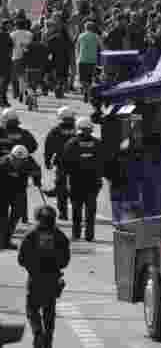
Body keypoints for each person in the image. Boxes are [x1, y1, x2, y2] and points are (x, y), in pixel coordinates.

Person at [18, 204, 69, 348]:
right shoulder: (60, 236)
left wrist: (32, 266)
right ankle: (47, 341)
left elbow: (21, 259)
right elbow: (65, 260)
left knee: (32, 309)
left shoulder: (31, 235)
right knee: (49, 313)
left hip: (35, 278)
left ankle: (38, 332)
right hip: (52, 279)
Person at [60, 118, 105, 242]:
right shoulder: (97, 143)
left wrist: (65, 177)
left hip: (76, 182)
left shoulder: (71, 143)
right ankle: (89, 235)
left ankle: (76, 233)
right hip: (93, 182)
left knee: (77, 209)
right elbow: (103, 162)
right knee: (90, 209)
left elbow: (64, 163)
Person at [0, 146, 42, 248]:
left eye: (21, 160)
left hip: (19, 192)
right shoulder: (2, 163)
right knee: (2, 218)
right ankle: (1, 241)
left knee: (16, 216)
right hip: (3, 192)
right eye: (15, 159)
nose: (18, 162)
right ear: (11, 156)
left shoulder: (29, 161)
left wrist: (37, 180)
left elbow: (37, 170)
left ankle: (6, 240)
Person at [43, 108, 77, 221]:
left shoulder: (56, 130)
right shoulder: (79, 129)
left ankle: (63, 213)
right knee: (77, 187)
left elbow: (49, 146)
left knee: (61, 188)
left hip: (62, 163)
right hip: (78, 163)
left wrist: (47, 161)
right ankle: (76, 212)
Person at [74, 21, 101, 104]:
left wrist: (77, 58)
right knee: (90, 79)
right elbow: (101, 46)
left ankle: (85, 91)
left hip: (82, 59)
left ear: (85, 28)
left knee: (83, 79)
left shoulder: (81, 36)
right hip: (92, 60)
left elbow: (77, 48)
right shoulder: (96, 36)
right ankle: (88, 94)